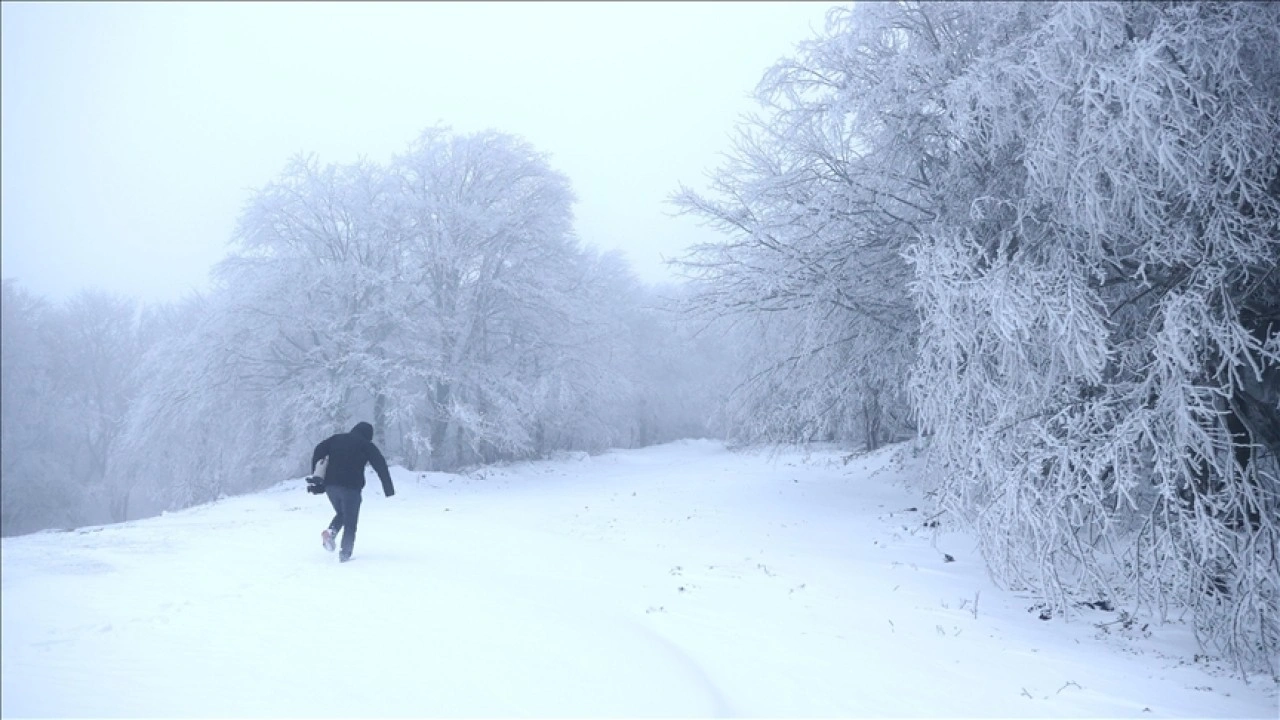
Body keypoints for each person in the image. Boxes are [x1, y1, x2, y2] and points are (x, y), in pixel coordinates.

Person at [310, 421, 395, 562]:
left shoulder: (336, 438)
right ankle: (345, 554)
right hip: (351, 488)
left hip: (331, 486)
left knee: (342, 514)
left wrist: (316, 475)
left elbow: (318, 450)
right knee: (350, 522)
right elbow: (380, 464)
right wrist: (388, 488)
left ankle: (330, 533)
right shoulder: (365, 444)